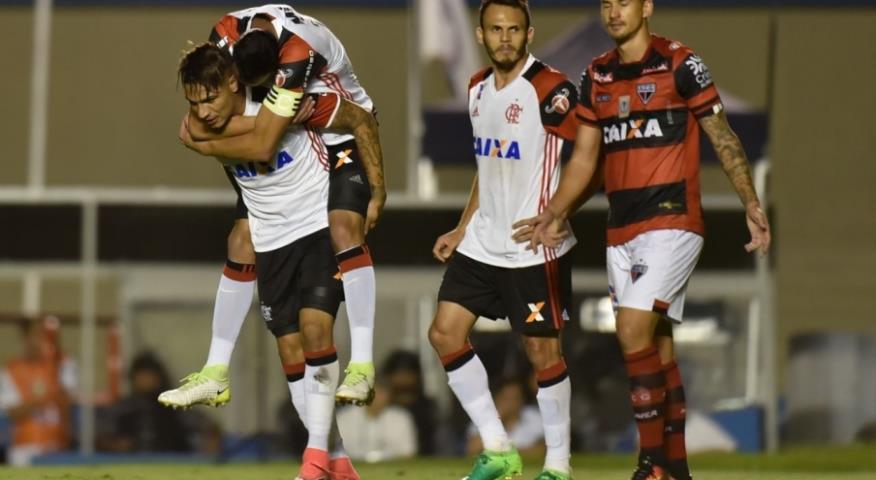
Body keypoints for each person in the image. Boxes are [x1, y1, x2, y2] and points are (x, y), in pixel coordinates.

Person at [516, 1, 772, 479]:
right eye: (607, 4)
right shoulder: (596, 76)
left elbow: (722, 134)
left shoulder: (680, 63)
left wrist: (751, 203)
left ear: (646, 6)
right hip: (621, 231)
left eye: (624, 2)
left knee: (631, 330)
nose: (614, 12)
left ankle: (650, 463)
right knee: (659, 349)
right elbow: (585, 159)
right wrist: (554, 210)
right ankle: (676, 469)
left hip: (673, 221)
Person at [173, 43, 383, 480]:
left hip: (316, 226)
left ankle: (312, 461)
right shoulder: (201, 121)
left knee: (314, 330)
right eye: (195, 102)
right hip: (272, 241)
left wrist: (376, 190)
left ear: (233, 82)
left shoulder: (285, 101)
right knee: (289, 350)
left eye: (210, 98)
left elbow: (354, 117)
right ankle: (339, 464)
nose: (204, 111)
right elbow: (192, 132)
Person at [427, 2, 578, 479]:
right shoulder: (475, 89)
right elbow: (485, 166)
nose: (505, 38)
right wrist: (461, 225)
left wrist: (560, 213)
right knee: (444, 333)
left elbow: (590, 153)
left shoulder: (551, 89)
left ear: (529, 33)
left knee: (541, 353)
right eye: (496, 29)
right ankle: (499, 449)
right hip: (483, 241)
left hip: (534, 247)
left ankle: (557, 466)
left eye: (514, 29)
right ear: (480, 34)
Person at [0, 316, 75, 466]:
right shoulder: (10, 370)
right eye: (38, 335)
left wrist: (54, 372)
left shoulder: (63, 363)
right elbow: (14, 413)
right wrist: (38, 399)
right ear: (26, 338)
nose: (44, 341)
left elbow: (68, 400)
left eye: (48, 336)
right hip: (25, 451)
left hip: (59, 448)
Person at [335, 381, 417, 462]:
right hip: (353, 467)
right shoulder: (343, 417)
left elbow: (408, 453)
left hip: (391, 468)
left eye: (382, 393)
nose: (377, 397)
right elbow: (335, 453)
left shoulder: (401, 417)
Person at [466, 378, 545, 458]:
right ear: (496, 399)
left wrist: (503, 454)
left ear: (522, 400)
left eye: (515, 398)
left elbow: (543, 449)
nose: (511, 404)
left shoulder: (535, 417)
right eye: (506, 399)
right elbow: (472, 449)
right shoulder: (483, 417)